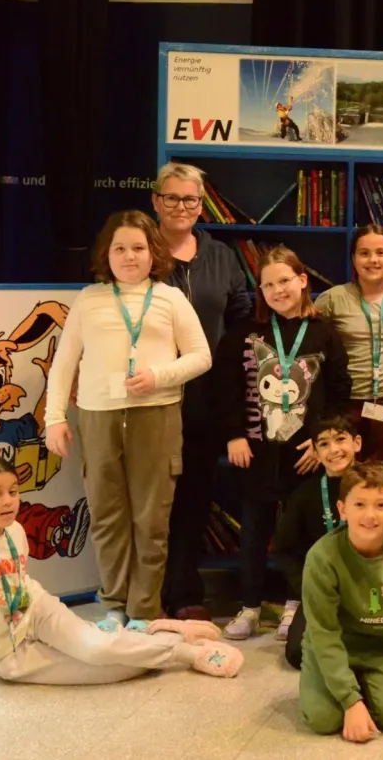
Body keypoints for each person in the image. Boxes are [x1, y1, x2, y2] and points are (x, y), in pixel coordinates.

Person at [0, 456, 242, 707]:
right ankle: (151, 633)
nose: (8, 501)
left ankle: (188, 652)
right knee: (114, 669)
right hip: (5, 652)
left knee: (97, 648)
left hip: (36, 610)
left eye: (13, 492)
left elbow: (19, 581)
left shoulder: (15, 530)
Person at [44, 210, 211, 626]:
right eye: (119, 248)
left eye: (138, 247)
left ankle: (143, 610)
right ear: (107, 253)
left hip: (157, 416)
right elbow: (64, 363)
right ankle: (115, 605)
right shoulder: (89, 299)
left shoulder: (171, 298)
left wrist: (158, 376)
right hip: (98, 417)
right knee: (106, 516)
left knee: (151, 519)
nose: (129, 256)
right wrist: (54, 418)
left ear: (153, 253)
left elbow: (201, 356)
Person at [211, 245, 351, 642]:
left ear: (303, 281)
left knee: (301, 533)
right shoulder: (244, 334)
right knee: (254, 532)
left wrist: (322, 444)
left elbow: (340, 393)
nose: (278, 290)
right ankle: (250, 606)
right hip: (255, 453)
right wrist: (234, 434)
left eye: (285, 281)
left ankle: (295, 604)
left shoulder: (325, 334)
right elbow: (225, 388)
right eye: (268, 285)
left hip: (305, 456)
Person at [152, 162, 253, 622]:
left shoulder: (221, 256)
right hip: (151, 396)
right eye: (171, 197)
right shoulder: (141, 250)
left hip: (206, 399)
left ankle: (184, 590)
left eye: (190, 199)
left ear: (201, 204)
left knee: (193, 499)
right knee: (152, 499)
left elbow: (240, 318)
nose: (181, 206)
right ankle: (144, 592)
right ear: (156, 201)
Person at [298, 462, 383, 743]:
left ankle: (369, 685)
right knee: (323, 719)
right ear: (342, 510)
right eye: (359, 504)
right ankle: (345, 687)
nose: (370, 516)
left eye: (381, 505)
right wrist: (351, 702)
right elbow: (325, 633)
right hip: (334, 644)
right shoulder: (321, 558)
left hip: (378, 647)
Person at [279, 413, 383, 668]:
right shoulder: (305, 495)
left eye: (340, 439)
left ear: (357, 443)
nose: (334, 450)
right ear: (316, 452)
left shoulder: (377, 476)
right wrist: (310, 586)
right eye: (324, 444)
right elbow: (283, 550)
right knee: (297, 652)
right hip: (329, 589)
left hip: (375, 586)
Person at [314, 225, 383, 459]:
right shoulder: (331, 300)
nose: (373, 260)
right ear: (353, 259)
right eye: (364, 253)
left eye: (381, 253)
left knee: (380, 468)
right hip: (344, 403)